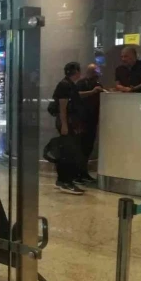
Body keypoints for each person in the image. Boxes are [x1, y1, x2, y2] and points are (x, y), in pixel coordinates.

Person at [52, 62, 86, 195]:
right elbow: (63, 107)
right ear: (76, 72)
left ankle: (63, 180)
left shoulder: (69, 84)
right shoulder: (65, 85)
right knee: (68, 153)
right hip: (66, 122)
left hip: (69, 122)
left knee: (67, 151)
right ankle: (66, 181)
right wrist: (64, 124)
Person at [75, 64, 104, 183]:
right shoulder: (81, 83)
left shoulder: (98, 84)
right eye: (95, 72)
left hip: (93, 120)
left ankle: (84, 172)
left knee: (88, 147)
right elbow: (76, 95)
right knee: (80, 147)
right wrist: (92, 92)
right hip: (82, 120)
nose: (97, 75)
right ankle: (77, 174)